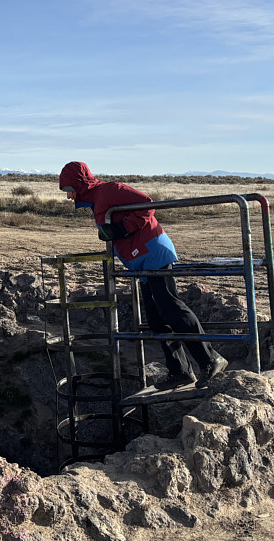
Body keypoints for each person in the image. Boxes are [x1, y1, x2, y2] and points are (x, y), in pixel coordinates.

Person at [59, 161, 227, 389]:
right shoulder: (97, 198)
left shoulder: (108, 190)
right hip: (141, 260)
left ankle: (210, 360)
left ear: (79, 183)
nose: (69, 197)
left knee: (171, 309)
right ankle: (181, 372)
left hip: (154, 252)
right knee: (157, 320)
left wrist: (124, 228)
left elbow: (147, 203)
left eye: (69, 190)